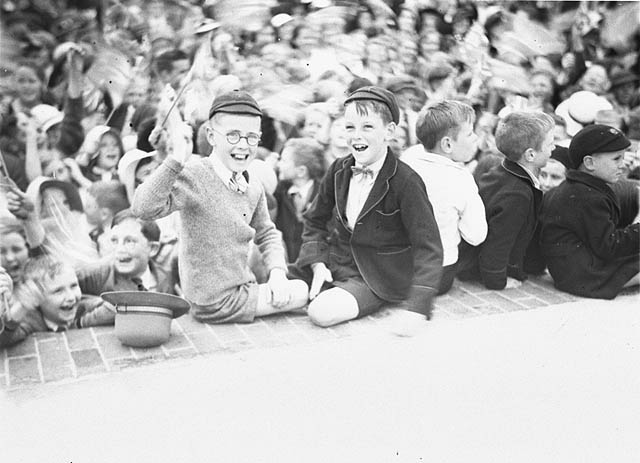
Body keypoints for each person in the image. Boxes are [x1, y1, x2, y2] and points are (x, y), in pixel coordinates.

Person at [132, 90, 308, 323]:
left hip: (242, 286)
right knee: (302, 293)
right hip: (213, 302)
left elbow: (267, 232)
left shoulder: (252, 183)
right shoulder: (194, 175)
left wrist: (277, 273)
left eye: (252, 137)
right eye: (233, 136)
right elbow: (142, 208)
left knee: (289, 287)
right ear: (212, 136)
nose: (243, 145)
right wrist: (175, 158)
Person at [289, 86, 443, 330]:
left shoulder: (406, 181)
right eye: (350, 127)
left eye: (367, 127)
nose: (356, 136)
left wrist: (418, 308)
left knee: (321, 313)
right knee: (279, 291)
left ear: (389, 131)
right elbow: (314, 220)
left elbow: (429, 247)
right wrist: (317, 264)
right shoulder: (339, 169)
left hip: (375, 276)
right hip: (334, 261)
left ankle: (331, 295)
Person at [458, 111, 555, 290]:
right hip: (476, 267)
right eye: (550, 144)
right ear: (530, 155)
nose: (554, 148)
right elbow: (499, 242)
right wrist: (498, 280)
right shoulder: (518, 194)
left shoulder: (502, 171)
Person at [539, 125, 639, 298]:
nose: (622, 166)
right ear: (589, 163)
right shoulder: (587, 197)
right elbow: (609, 247)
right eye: (616, 159)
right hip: (584, 276)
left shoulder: (578, 188)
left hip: (572, 269)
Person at [401, 100, 487, 294]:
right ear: (447, 144)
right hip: (437, 274)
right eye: (470, 133)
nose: (475, 138)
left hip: (398, 263)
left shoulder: (409, 155)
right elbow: (476, 236)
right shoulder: (461, 178)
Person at [0, 255, 115, 347]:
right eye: (58, 291)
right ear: (37, 299)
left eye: (74, 285)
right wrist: (21, 308)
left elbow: (117, 307)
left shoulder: (83, 307)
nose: (71, 297)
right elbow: (4, 339)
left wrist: (79, 324)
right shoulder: (32, 320)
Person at [77, 208, 177, 295]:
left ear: (152, 249)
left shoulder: (166, 278)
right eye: (114, 241)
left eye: (129, 241)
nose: (120, 249)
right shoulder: (95, 276)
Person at [274, 137, 326, 263]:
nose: (278, 164)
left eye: (284, 160)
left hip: (310, 263)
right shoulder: (280, 191)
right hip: (284, 260)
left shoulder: (323, 195)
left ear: (301, 171)